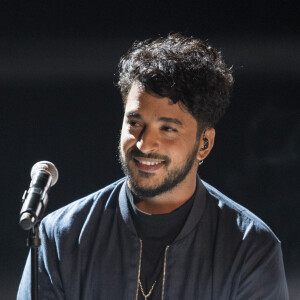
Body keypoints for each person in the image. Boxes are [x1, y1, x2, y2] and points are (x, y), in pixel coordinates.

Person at [18, 33, 289, 299]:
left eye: (168, 129)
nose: (145, 144)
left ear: (204, 143)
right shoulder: (59, 237)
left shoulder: (250, 248)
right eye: (135, 123)